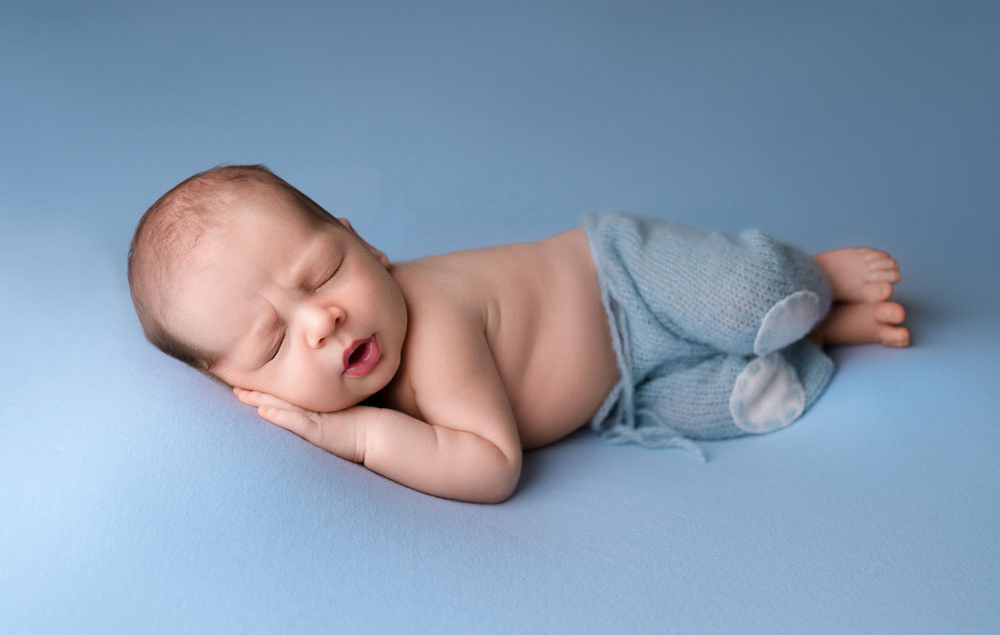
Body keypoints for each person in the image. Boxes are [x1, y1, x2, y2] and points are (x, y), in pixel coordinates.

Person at [127, 164, 909, 503]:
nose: (322, 319)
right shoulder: (354, 353)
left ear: (364, 242)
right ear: (247, 390)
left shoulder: (432, 326)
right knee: (749, 401)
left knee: (743, 299)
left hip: (624, 277)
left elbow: (491, 467)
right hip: (622, 393)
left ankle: (811, 277)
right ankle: (829, 332)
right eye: (273, 343)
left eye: (326, 272)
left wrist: (357, 437)